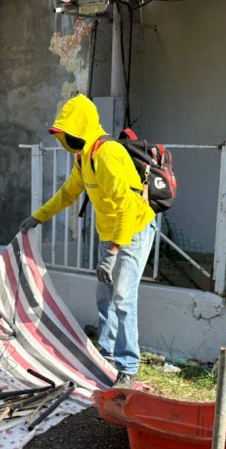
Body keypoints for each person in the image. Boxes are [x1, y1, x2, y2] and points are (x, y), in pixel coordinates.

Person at [19, 95, 156, 389]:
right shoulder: (84, 157)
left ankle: (128, 367)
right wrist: (38, 217)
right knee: (104, 295)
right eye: (62, 135)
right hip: (111, 233)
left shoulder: (107, 153)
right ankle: (106, 354)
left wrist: (114, 250)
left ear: (82, 128)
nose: (65, 141)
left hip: (133, 229)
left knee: (122, 296)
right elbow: (69, 193)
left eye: (68, 133)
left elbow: (126, 206)